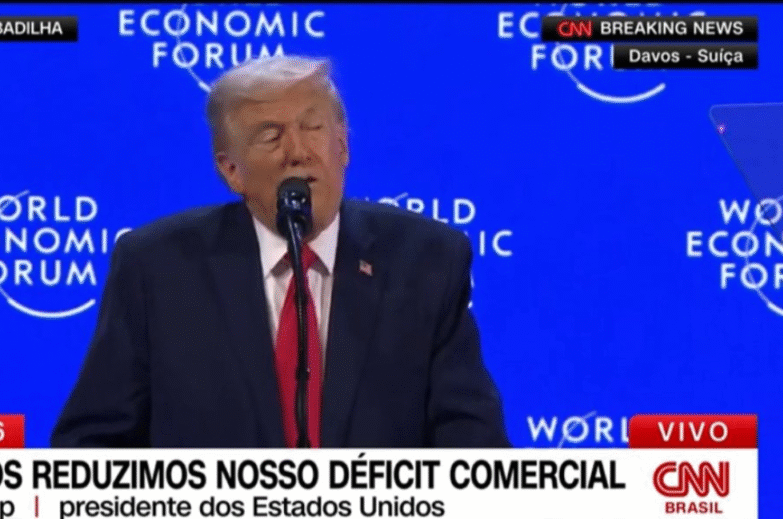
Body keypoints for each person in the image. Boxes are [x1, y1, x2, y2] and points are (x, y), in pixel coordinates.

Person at [51, 55, 510, 451]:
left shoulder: (425, 260)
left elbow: (474, 448)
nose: (298, 152)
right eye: (271, 136)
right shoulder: (159, 268)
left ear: (342, 146)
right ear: (232, 171)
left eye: (313, 128)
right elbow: (91, 447)